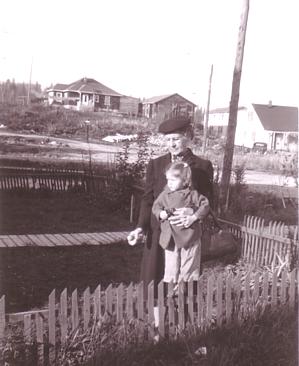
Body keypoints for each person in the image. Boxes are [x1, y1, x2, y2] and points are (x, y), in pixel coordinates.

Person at [127, 116, 214, 295]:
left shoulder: (202, 166)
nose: (171, 144)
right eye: (167, 140)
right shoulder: (156, 164)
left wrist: (193, 213)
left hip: (186, 235)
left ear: (187, 136)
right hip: (159, 232)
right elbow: (148, 199)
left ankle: (182, 320)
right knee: (155, 282)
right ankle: (156, 320)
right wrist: (140, 228)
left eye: (175, 139)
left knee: (184, 283)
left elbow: (208, 201)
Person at [152, 161, 210, 285]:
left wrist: (194, 217)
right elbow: (156, 207)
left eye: (173, 180)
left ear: (185, 181)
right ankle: (170, 294)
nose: (169, 183)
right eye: (168, 179)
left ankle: (185, 295)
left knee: (188, 267)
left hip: (189, 237)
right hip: (170, 238)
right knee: (171, 267)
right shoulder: (165, 194)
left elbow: (205, 206)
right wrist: (160, 214)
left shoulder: (192, 194)